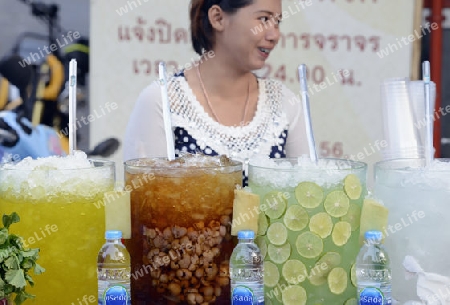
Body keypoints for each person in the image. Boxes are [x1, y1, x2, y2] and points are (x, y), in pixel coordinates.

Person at [124, 0, 309, 183]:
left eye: (277, 22)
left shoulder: (284, 101)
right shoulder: (162, 100)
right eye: (264, 19)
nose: (274, 35)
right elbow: (145, 200)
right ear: (218, 18)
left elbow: (307, 189)